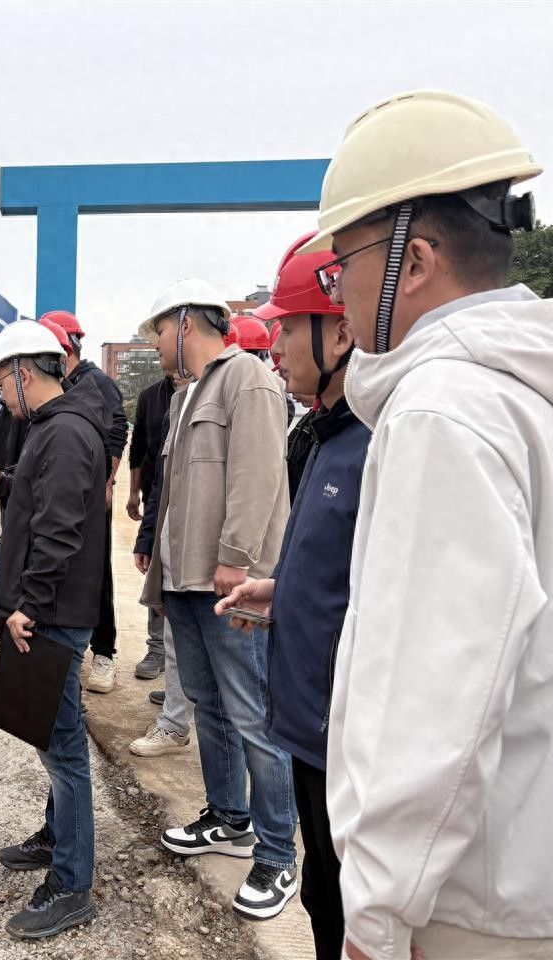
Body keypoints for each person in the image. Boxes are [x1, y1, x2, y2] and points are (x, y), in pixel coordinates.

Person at [299, 90, 553, 960]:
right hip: (533, 870)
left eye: (342, 267)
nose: (338, 294)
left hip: (469, 908)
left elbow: (436, 699)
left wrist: (377, 915)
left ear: (413, 262)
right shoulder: (531, 389)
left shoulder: (444, 411)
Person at [216, 231, 369, 957]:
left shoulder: (378, 443)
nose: (273, 347)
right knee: (321, 895)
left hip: (349, 740)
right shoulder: (322, 437)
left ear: (339, 331)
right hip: (309, 724)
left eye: (286, 327)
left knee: (347, 905)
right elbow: (343, 570)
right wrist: (283, 593)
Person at [138, 278, 297, 920]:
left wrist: (235, 556)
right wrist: (161, 572)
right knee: (210, 707)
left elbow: (259, 475)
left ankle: (277, 853)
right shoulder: (186, 396)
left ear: (185, 322)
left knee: (254, 715)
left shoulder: (247, 380)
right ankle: (230, 818)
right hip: (186, 584)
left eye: (158, 330)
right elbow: (175, 496)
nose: (155, 344)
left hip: (229, 583)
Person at [0, 320, 106, 941]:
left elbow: (60, 527)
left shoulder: (68, 431)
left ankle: (73, 885)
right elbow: (43, 497)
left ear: (24, 373)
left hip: (53, 612)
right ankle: (57, 837)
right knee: (51, 731)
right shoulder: (52, 428)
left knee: (64, 748)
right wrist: (6, 482)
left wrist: (31, 602)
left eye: (2, 383)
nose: (1, 396)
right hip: (47, 607)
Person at [40, 310, 128, 695]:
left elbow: (117, 431)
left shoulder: (97, 383)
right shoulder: (54, 383)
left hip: (91, 493)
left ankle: (104, 652)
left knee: (95, 569)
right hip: (60, 488)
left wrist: (107, 482)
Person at [128, 380, 195, 759]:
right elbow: (160, 479)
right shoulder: (168, 401)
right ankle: (176, 714)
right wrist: (147, 538)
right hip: (173, 531)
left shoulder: (244, 392)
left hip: (215, 551)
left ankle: (186, 705)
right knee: (173, 632)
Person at [126, 374, 175, 681]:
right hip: (156, 495)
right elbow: (139, 447)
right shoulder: (151, 396)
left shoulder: (210, 388)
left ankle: (178, 656)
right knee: (156, 569)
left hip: (191, 500)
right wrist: (133, 492)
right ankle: (157, 648)